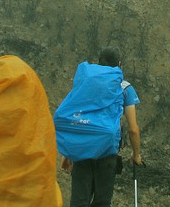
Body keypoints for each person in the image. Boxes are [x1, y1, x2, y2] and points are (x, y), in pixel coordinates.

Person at [61, 46, 142, 207]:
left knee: (79, 202)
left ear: (98, 63)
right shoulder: (125, 87)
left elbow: (76, 117)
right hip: (107, 152)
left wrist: (68, 153)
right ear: (119, 64)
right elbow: (133, 129)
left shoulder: (86, 84)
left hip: (83, 150)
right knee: (102, 202)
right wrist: (136, 154)